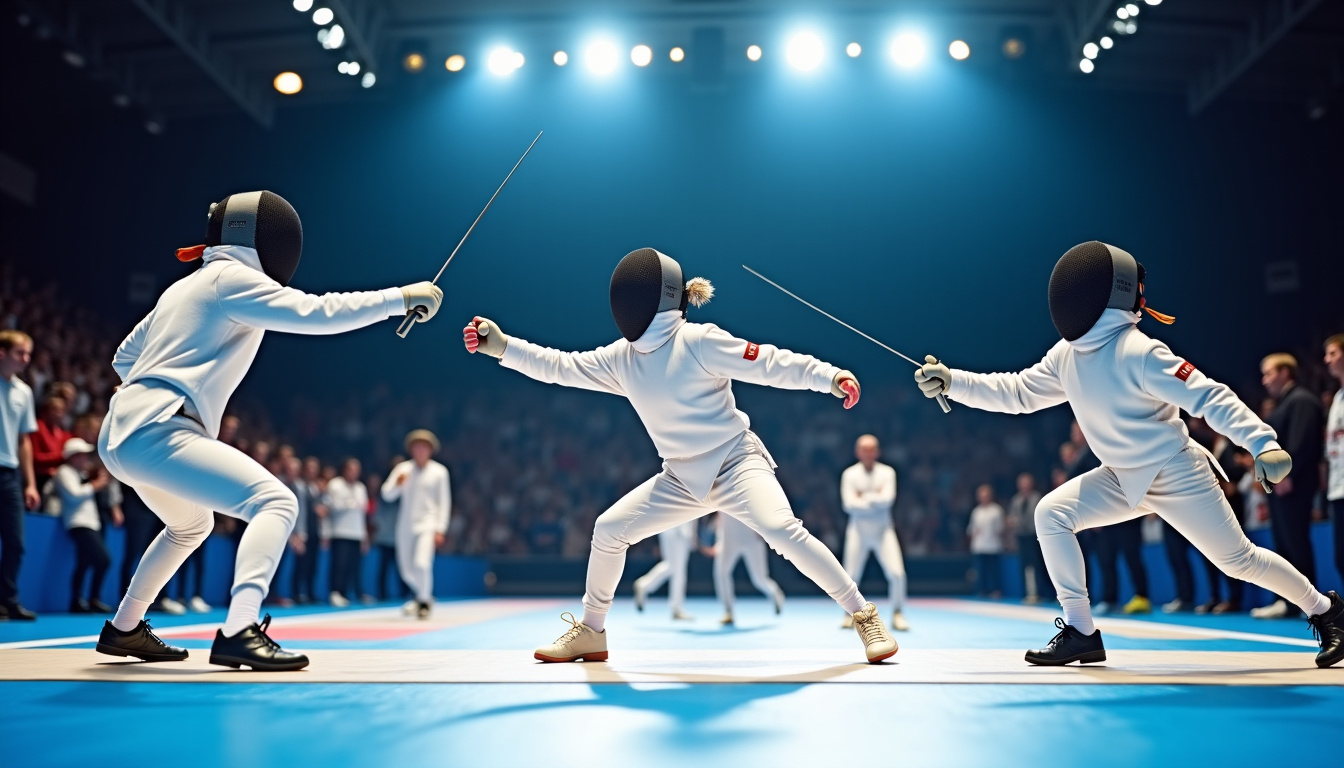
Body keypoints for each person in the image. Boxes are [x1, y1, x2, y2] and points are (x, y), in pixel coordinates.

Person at [914, 241, 1343, 668]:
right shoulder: (1067, 356)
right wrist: (954, 381)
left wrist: (1261, 441)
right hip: (1120, 476)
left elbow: (1207, 395)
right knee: (1051, 514)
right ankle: (1082, 633)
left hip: (1176, 470)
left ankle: (1327, 610)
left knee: (1239, 561)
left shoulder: (1140, 351)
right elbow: (1019, 392)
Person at [464, 248, 897, 664]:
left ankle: (865, 616)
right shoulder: (622, 358)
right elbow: (557, 366)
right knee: (609, 530)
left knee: (781, 530)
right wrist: (503, 346)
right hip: (681, 479)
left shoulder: (698, 340)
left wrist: (829, 376)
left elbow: (769, 362)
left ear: (659, 298)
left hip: (735, 463)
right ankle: (592, 631)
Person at [93, 190, 444, 670]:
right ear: (260, 236)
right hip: (160, 428)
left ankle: (125, 628)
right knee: (277, 501)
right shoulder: (231, 279)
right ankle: (239, 629)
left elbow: (123, 358)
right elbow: (315, 313)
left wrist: (154, 389)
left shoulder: (185, 286)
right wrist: (398, 298)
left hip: (122, 429)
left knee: (191, 525)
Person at [1252, 353, 1326, 619]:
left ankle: (1311, 604)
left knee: (1295, 542)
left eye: (1269, 373)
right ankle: (1287, 601)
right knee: (1284, 543)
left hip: (1292, 485)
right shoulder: (1284, 403)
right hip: (1282, 484)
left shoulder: (1301, 400)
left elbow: (1302, 442)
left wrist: (1285, 476)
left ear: (1285, 372)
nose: (1264, 380)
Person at [839, 434, 909, 630]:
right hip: (858, 531)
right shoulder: (849, 474)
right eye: (864, 449)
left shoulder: (888, 473)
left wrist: (863, 498)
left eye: (872, 449)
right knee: (849, 575)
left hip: (883, 531)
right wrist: (875, 498)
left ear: (877, 451)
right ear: (857, 452)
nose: (868, 453)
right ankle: (848, 614)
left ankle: (897, 613)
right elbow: (849, 505)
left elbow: (888, 500)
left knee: (897, 574)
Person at [381, 430, 450, 619]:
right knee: (406, 572)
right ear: (411, 450)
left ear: (430, 450)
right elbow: (386, 495)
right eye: (416, 447)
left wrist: (440, 528)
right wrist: (397, 484)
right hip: (405, 526)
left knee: (422, 563)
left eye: (424, 447)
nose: (420, 450)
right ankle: (422, 596)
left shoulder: (439, 472)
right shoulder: (403, 469)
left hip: (428, 524)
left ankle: (424, 602)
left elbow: (444, 502)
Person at [0, 329, 39, 620]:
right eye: (20, 353)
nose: (26, 359)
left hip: (10, 475)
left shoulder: (24, 392)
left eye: (28, 354)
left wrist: (30, 484)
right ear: (2, 352)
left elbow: (25, 440)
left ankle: (8, 600)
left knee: (16, 542)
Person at [56, 438, 114, 613]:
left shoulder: (82, 475)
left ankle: (77, 602)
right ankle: (93, 599)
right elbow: (73, 495)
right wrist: (95, 485)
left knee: (84, 562)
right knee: (104, 560)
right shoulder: (64, 471)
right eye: (81, 455)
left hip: (90, 523)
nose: (85, 459)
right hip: (78, 523)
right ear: (72, 457)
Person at [707, 512, 785, 626]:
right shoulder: (716, 494)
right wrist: (718, 541)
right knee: (721, 573)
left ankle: (775, 593)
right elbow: (717, 511)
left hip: (751, 537)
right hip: (729, 539)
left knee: (759, 579)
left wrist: (763, 530)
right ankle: (728, 611)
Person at [324, 457, 368, 607]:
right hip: (340, 532)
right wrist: (350, 503)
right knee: (339, 565)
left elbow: (363, 511)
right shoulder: (335, 484)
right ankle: (335, 592)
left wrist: (364, 536)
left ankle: (344, 593)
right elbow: (334, 506)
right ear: (344, 470)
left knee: (351, 566)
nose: (354, 473)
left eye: (357, 470)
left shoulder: (361, 487)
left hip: (356, 533)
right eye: (351, 470)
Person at [632, 519, 697, 621]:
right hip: (679, 530)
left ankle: (645, 585)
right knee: (678, 570)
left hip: (667, 526)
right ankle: (676, 608)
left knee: (672, 566)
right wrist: (693, 535)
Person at [1007, 472, 1050, 604]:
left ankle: (1040, 593)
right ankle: (1027, 592)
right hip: (1021, 536)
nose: (1024, 486)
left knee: (1037, 564)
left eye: (1026, 483)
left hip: (1034, 536)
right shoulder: (1016, 500)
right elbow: (1012, 517)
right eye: (1022, 483)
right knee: (1024, 565)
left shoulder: (1037, 497)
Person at [369, 466, 406, 602]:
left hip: (399, 538)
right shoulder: (384, 496)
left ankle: (405, 593)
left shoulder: (403, 498)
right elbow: (376, 517)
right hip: (385, 538)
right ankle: (382, 594)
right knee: (384, 568)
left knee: (402, 568)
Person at [1325, 335, 1344, 586]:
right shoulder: (1337, 398)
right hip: (1338, 488)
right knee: (1340, 557)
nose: (1326, 359)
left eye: (1332, 353)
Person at [967, 484, 1005, 598]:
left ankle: (995, 590)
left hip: (993, 545)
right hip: (979, 546)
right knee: (980, 571)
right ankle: (981, 591)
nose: (984, 498)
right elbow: (971, 529)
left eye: (986, 495)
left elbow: (1001, 528)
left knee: (993, 570)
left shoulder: (996, 510)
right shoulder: (976, 511)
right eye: (981, 496)